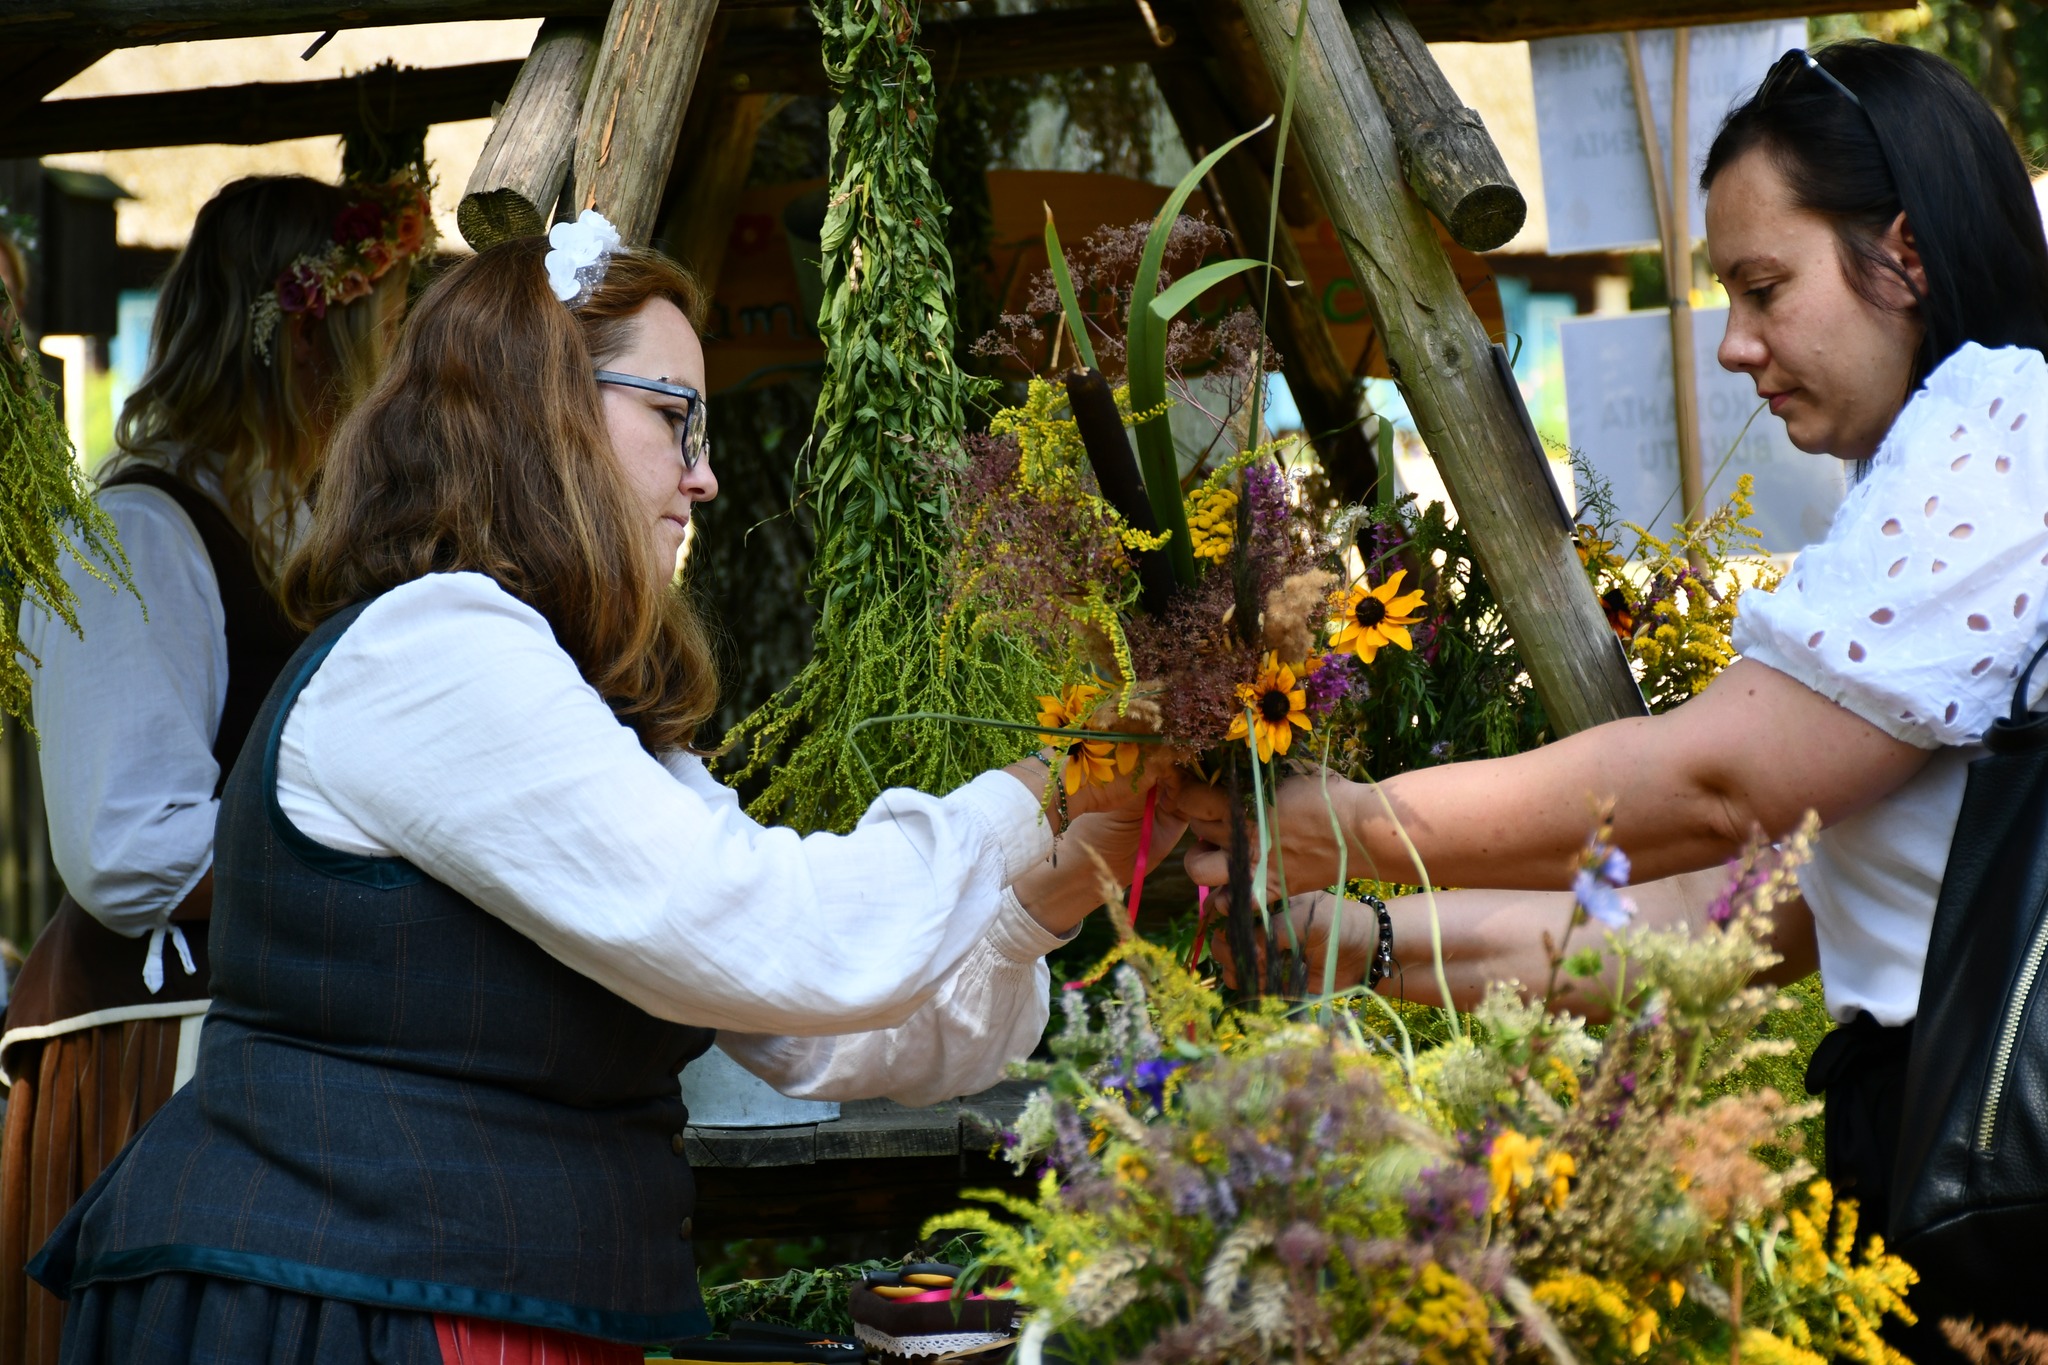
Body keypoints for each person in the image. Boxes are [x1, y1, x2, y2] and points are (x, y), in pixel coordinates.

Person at [30, 223, 1176, 1363]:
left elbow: (817, 1035)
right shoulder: (432, 653)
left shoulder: (558, 695)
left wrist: (1050, 886)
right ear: (543, 408)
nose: (704, 473)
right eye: (675, 417)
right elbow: (770, 926)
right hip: (336, 1307)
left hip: (467, 1301)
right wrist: (1050, 782)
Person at [1169, 39, 2048, 1344]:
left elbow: (1715, 786)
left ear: (1905, 255)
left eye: (1764, 286)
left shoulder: (2000, 423)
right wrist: (1353, 943)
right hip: (1961, 1162)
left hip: (2002, 1165)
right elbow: (1718, 915)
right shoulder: (1951, 461)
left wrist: (1341, 823)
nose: (1738, 345)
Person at [1, 173, 426, 1365]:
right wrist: (374, 840)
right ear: (304, 347)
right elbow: (127, 848)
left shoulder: (279, 519)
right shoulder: (136, 534)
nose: (395, 380)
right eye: (381, 338)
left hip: (250, 1042)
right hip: (157, 1059)